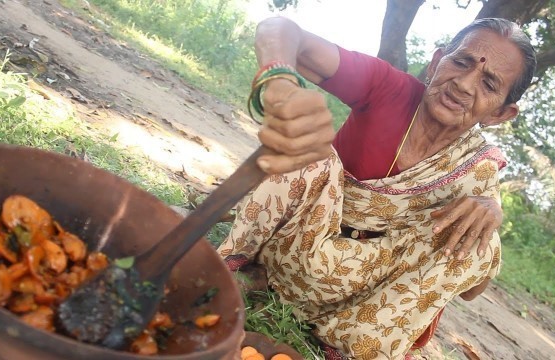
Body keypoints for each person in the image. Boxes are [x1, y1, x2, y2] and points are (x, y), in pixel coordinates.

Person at [217, 16, 537, 360]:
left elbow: (473, 289)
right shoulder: (389, 89)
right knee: (313, 152)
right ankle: (242, 268)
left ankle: (348, 345)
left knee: (482, 238)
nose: (464, 84)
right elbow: (279, 30)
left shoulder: (476, 169)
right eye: (461, 62)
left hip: (359, 303)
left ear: (501, 114)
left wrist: (490, 217)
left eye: (488, 84)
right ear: (435, 62)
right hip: (295, 249)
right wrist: (279, 82)